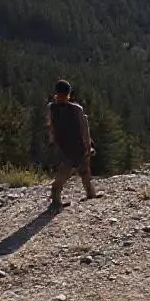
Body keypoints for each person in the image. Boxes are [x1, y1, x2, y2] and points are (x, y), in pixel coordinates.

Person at [46, 79, 104, 208]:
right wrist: (88, 145)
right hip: (70, 146)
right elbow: (84, 129)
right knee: (65, 174)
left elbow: (51, 126)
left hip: (70, 145)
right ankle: (56, 200)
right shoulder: (74, 109)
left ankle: (90, 193)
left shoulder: (55, 107)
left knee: (83, 171)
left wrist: (52, 141)